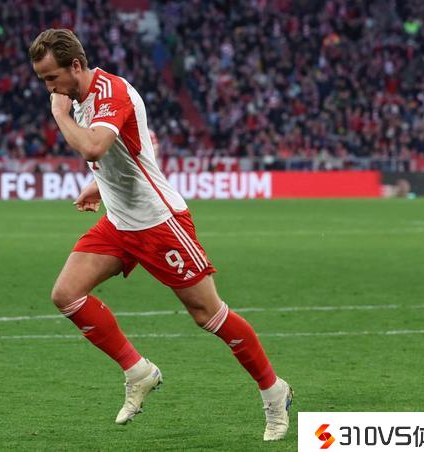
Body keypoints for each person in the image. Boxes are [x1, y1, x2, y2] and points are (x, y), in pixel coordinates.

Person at [29, 29, 293, 441]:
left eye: (51, 78)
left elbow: (95, 147)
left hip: (159, 223)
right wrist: (99, 185)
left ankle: (274, 392)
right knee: (66, 294)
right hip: (119, 222)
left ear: (75, 66)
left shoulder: (110, 92)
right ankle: (139, 372)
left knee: (209, 315)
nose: (49, 88)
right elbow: (129, 149)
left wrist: (60, 115)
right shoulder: (79, 96)